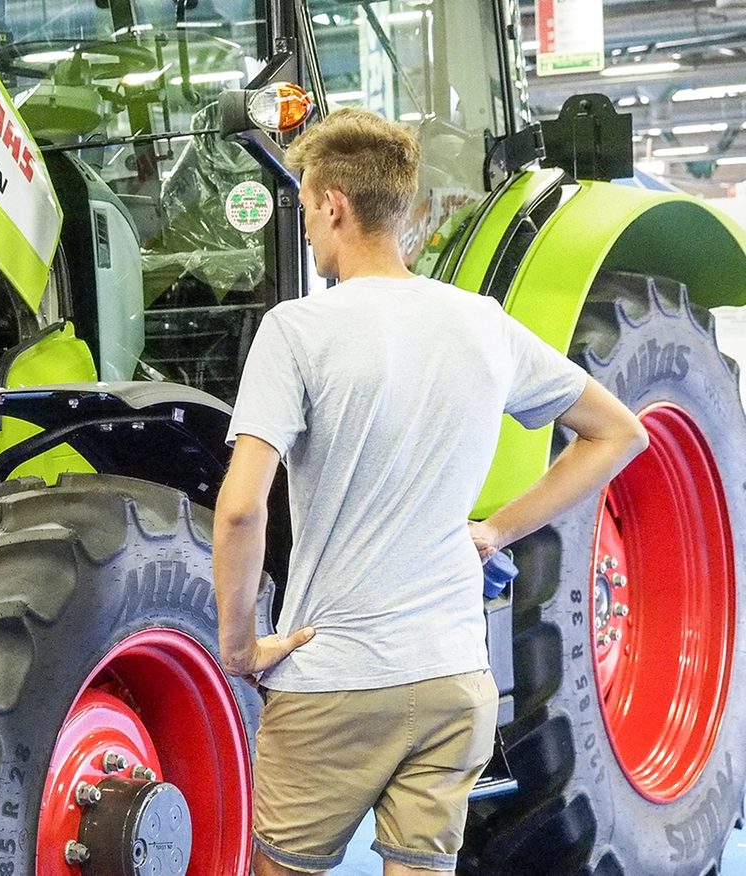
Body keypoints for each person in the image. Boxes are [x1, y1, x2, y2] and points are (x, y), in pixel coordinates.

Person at [210, 109, 649, 876]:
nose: (308, 227)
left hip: (334, 682)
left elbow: (243, 507)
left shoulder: (296, 329)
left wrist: (239, 644)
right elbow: (621, 433)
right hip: (454, 680)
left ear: (334, 205)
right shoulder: (482, 323)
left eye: (308, 207)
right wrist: (496, 531)